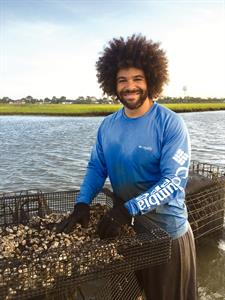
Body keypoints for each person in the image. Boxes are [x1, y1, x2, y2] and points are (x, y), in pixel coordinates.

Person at [57, 34, 197, 300]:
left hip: (167, 235)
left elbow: (172, 182)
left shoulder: (170, 124)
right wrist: (82, 202)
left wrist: (128, 209)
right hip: (128, 234)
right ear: (112, 83)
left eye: (137, 79)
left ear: (151, 80)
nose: (129, 87)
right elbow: (97, 167)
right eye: (122, 80)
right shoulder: (108, 126)